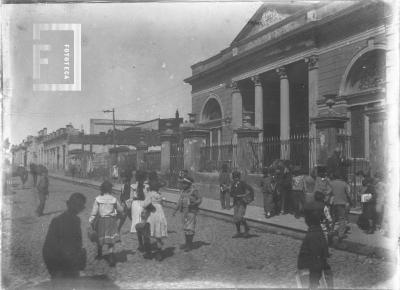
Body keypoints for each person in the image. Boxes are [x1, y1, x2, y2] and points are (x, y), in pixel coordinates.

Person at [42, 193, 87, 279]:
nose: (76, 208)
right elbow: (47, 248)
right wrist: (54, 270)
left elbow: (77, 242)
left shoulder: (77, 221)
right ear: (68, 204)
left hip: (73, 267)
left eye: (79, 206)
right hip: (59, 266)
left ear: (81, 208)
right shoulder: (57, 221)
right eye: (74, 204)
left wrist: (80, 254)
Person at [89, 180, 123, 267]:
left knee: (100, 236)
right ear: (111, 189)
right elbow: (121, 209)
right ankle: (111, 256)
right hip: (111, 221)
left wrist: (91, 220)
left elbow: (94, 212)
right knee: (111, 239)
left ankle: (99, 252)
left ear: (102, 189)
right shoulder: (113, 199)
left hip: (101, 221)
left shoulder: (98, 199)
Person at [297, 209, 333, 289]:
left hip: (310, 268)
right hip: (316, 266)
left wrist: (313, 282)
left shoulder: (313, 234)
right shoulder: (318, 231)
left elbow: (316, 257)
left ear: (308, 222)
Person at [173, 176, 202, 252]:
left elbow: (200, 199)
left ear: (189, 184)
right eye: (183, 184)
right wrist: (175, 210)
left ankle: (189, 245)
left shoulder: (193, 191)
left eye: (185, 184)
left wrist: (195, 203)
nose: (183, 185)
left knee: (190, 228)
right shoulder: (183, 191)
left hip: (191, 212)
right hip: (184, 212)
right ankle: (186, 243)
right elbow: (179, 202)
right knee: (185, 228)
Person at [143, 172, 168, 261]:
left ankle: (148, 252)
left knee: (148, 233)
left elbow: (145, 204)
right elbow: (162, 204)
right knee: (158, 233)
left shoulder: (149, 194)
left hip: (152, 214)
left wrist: (149, 207)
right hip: (160, 214)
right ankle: (159, 253)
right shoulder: (159, 195)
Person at [230, 171, 254, 238]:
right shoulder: (233, 184)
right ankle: (238, 232)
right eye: (234, 178)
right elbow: (231, 193)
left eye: (236, 178)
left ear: (238, 177)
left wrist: (247, 197)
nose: (235, 179)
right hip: (235, 203)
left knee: (240, 217)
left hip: (242, 203)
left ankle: (246, 229)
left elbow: (250, 190)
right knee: (235, 218)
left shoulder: (243, 183)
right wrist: (234, 195)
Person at [130, 170, 150, 251]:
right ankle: (146, 243)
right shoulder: (147, 187)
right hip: (143, 205)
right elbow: (148, 198)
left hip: (135, 205)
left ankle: (140, 244)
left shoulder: (133, 186)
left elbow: (131, 198)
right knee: (144, 224)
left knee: (138, 225)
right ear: (144, 178)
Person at [329, 173, 351, 241]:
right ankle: (340, 234)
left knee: (333, 218)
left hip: (333, 203)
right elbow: (348, 194)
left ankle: (331, 231)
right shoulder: (344, 184)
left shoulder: (331, 183)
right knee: (342, 219)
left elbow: (328, 192)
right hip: (341, 203)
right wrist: (350, 201)